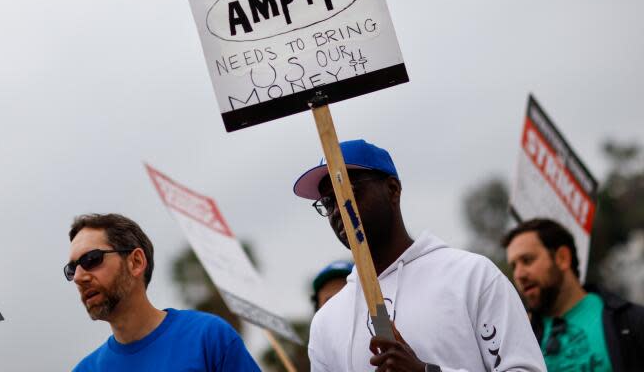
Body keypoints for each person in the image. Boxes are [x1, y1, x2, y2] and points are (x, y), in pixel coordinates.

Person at [293, 138, 545, 372]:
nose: (338, 209)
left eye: (348, 191)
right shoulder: (326, 323)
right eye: (328, 202)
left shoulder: (472, 277)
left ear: (392, 189)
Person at [65, 213, 260, 371]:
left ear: (136, 262)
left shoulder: (208, 338)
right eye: (72, 269)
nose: (79, 277)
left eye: (91, 259)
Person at [502, 218, 644, 371]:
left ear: (562, 258)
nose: (519, 275)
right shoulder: (519, 340)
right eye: (514, 266)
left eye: (527, 260)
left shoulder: (629, 322)